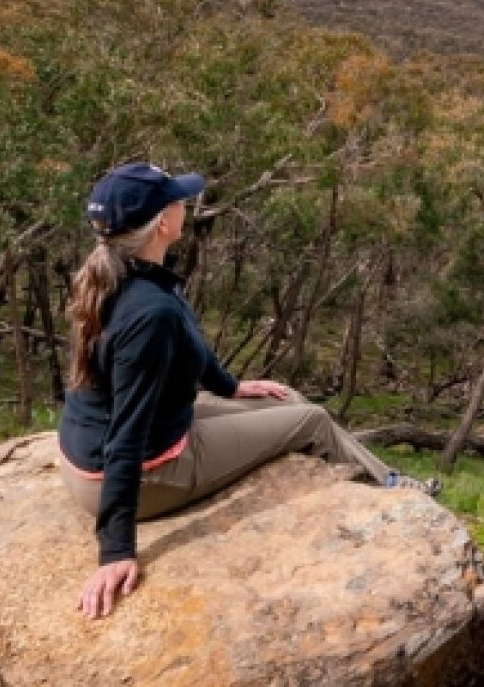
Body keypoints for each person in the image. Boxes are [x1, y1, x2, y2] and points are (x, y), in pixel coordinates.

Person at [57, 162, 437, 620]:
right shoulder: (149, 312)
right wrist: (115, 550)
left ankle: (371, 475)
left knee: (287, 400)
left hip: (122, 441)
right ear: (162, 222)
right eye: (178, 198)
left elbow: (186, 353)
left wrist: (232, 388)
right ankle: (395, 490)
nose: (186, 204)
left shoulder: (122, 274)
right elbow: (127, 434)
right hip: (144, 474)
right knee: (312, 420)